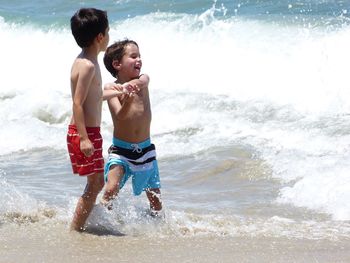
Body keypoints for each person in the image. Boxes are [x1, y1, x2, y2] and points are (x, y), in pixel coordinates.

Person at [67, 8, 125, 232]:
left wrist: (119, 91)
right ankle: (76, 229)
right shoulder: (88, 65)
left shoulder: (86, 60)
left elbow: (95, 96)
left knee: (95, 183)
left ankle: (80, 225)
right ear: (100, 37)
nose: (109, 36)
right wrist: (83, 138)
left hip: (87, 132)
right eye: (108, 32)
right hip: (85, 133)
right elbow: (78, 103)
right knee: (96, 184)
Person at [102, 39, 163, 216]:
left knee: (155, 199)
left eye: (140, 56)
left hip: (146, 150)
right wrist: (125, 96)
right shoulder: (111, 88)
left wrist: (132, 86)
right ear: (117, 64)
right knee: (111, 189)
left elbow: (144, 81)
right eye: (133, 56)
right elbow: (120, 116)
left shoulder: (142, 80)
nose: (139, 60)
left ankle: (158, 224)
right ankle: (102, 219)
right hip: (121, 151)